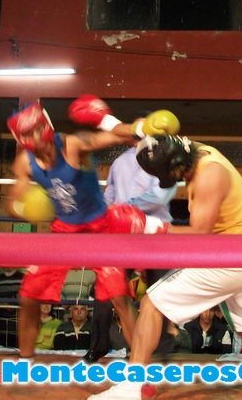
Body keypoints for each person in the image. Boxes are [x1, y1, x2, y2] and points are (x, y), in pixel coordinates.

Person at [89, 135, 242, 400]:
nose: (175, 180)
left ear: (177, 164)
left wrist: (148, 226)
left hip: (226, 260)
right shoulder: (197, 154)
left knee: (152, 304)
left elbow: (200, 234)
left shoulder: (209, 174)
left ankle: (132, 387)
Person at [2, 97, 179, 372]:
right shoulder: (25, 162)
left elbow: (112, 136)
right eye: (28, 133)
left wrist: (139, 128)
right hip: (64, 231)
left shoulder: (72, 145)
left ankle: (139, 369)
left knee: (119, 297)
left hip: (102, 227)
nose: (35, 136)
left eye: (37, 128)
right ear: (20, 138)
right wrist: (23, 207)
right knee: (28, 294)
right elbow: (13, 201)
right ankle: (24, 363)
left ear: (46, 125)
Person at [87, 144, 177, 363]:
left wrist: (125, 209)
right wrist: (114, 217)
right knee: (110, 288)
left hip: (148, 231)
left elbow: (159, 196)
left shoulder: (131, 161)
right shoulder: (126, 162)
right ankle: (101, 345)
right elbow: (110, 197)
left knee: (158, 291)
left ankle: (159, 348)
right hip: (132, 232)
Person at [0, 267, 24, 348]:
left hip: (18, 320)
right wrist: (1, 303)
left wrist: (11, 303)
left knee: (17, 347)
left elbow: (27, 295)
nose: (7, 267)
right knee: (0, 345)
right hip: (0, 320)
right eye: (4, 266)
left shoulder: (23, 278)